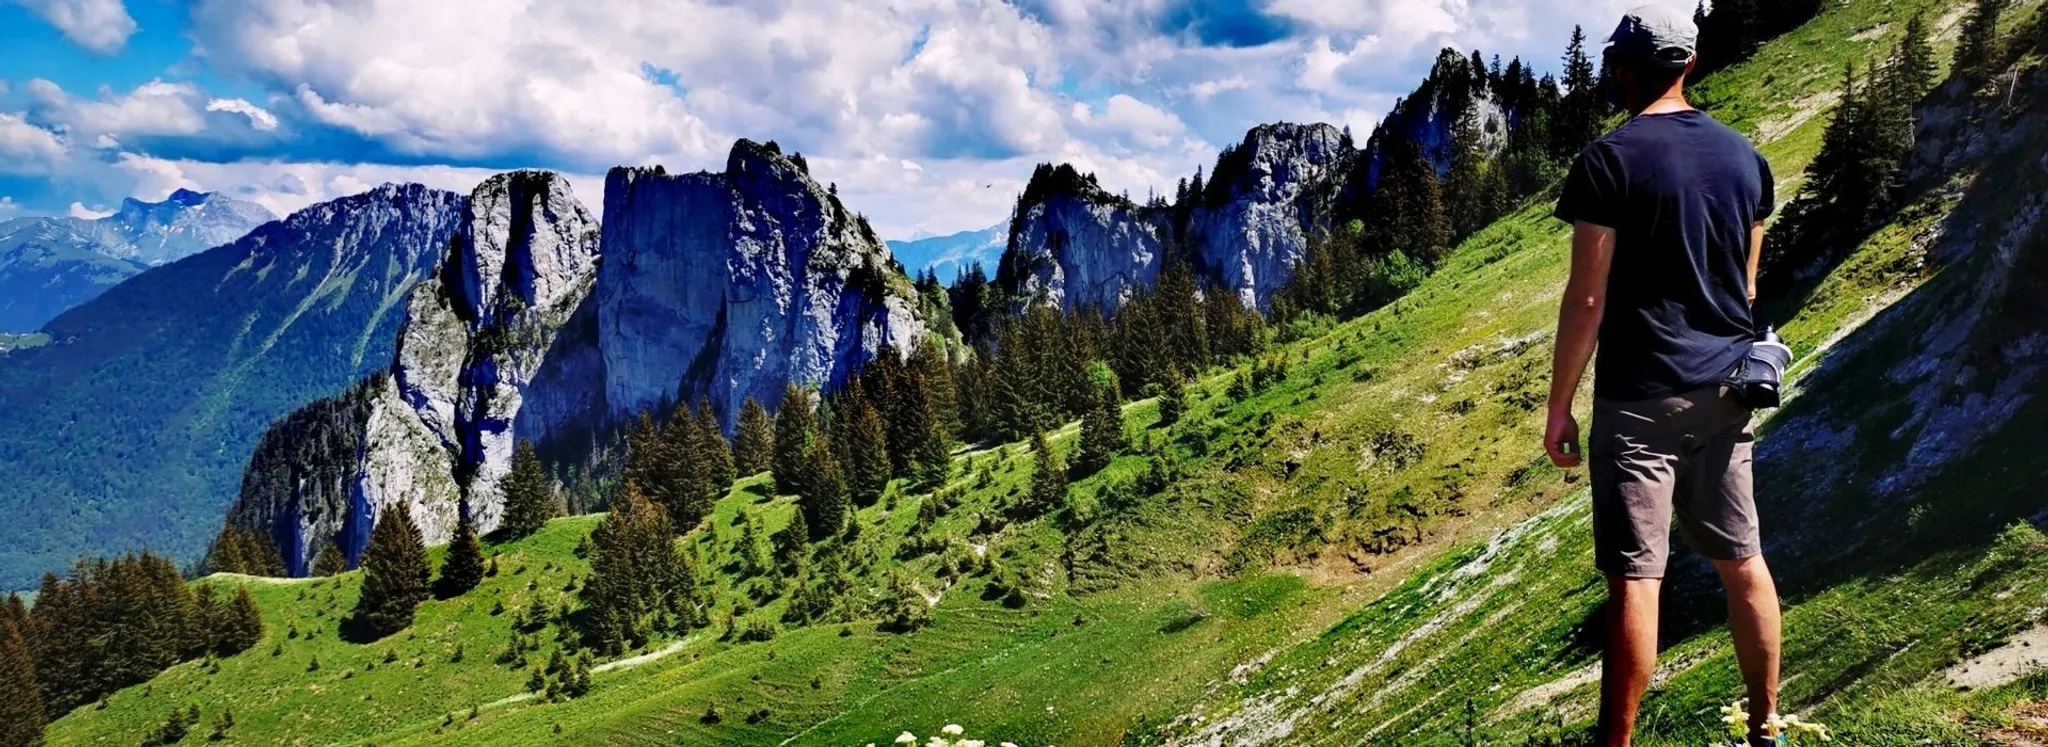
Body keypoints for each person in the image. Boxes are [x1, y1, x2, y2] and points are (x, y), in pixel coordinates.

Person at [1543, 6, 1783, 746]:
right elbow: (1744, 287)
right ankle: (1765, 725)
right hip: (1724, 391)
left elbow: (1587, 298)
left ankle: (1614, 743)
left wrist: (1558, 409)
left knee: (1635, 581)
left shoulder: (1608, 160)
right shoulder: (1747, 158)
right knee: (1743, 562)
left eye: (1616, 62)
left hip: (1640, 396)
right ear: (1691, 63)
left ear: (1627, 67)